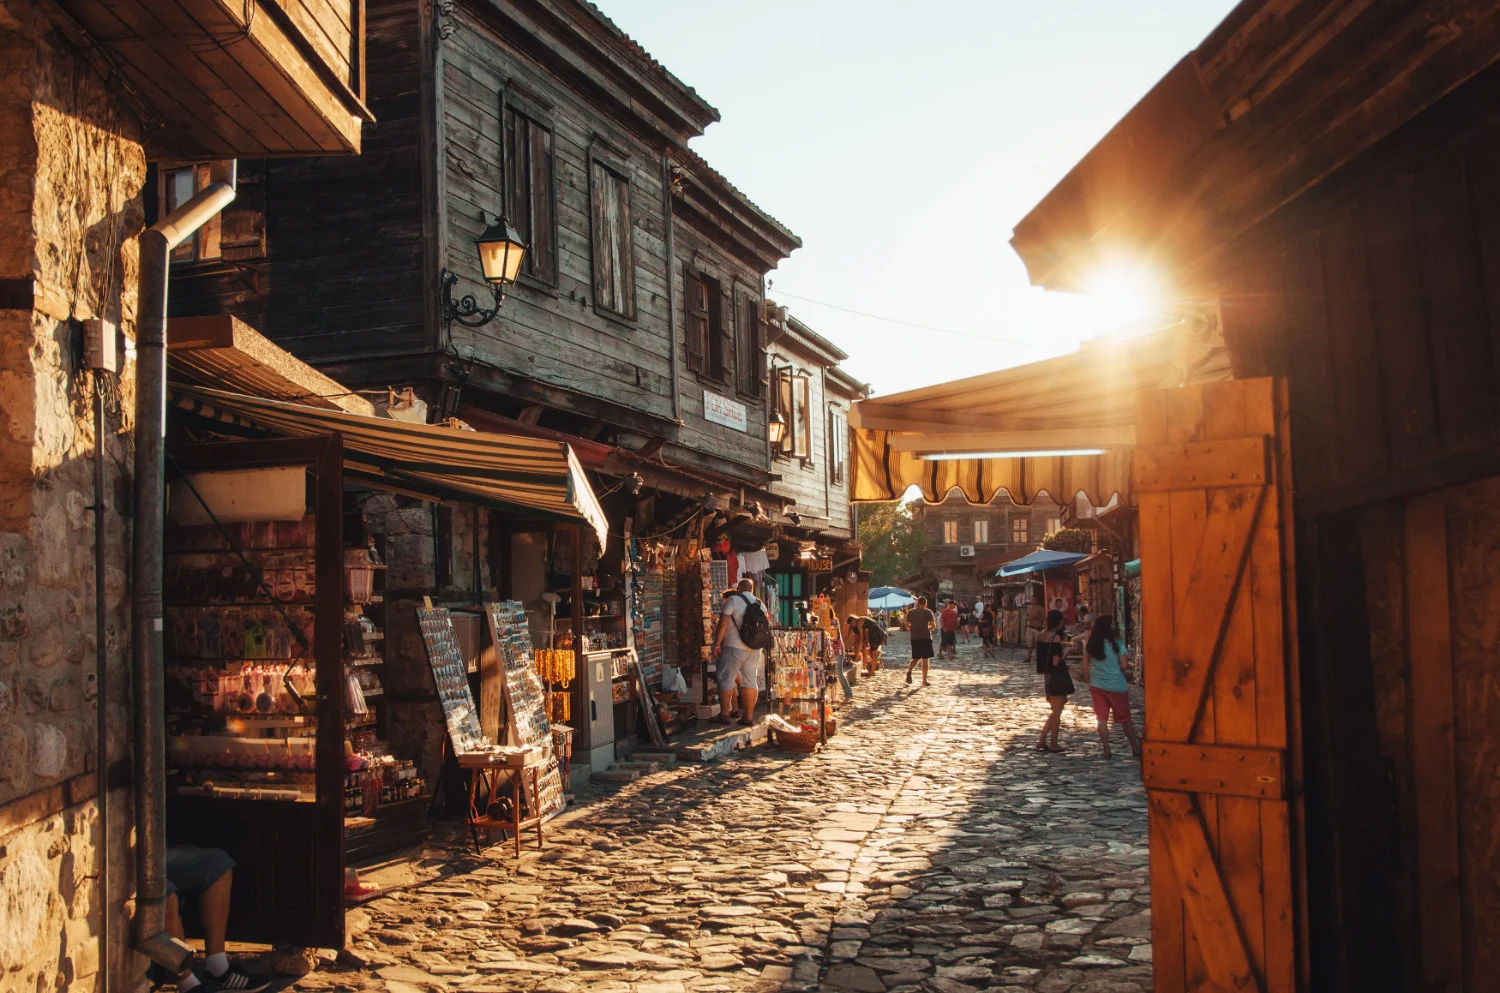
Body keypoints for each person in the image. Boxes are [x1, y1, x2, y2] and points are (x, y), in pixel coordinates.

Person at [164, 845, 270, 992]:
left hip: (151, 850)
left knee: (218, 864)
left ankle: (218, 970)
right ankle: (188, 984)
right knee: (162, 891)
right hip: (126, 863)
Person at [1082, 615, 1141, 759]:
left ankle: (1106, 749)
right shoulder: (1117, 644)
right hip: (1116, 686)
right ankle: (1135, 747)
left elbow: (1084, 667)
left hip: (1097, 685)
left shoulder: (1090, 645)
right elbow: (1125, 666)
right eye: (1112, 624)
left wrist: (1090, 680)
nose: (1114, 626)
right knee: (1125, 719)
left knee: (1101, 719)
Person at [712, 578, 767, 727]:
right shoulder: (760, 603)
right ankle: (747, 717)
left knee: (726, 678)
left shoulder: (733, 600)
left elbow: (723, 624)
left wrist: (717, 644)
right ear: (751, 589)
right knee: (750, 681)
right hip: (754, 648)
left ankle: (724, 715)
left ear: (739, 588)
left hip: (733, 646)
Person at [1035, 609, 1073, 753]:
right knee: (1057, 712)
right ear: (1058, 622)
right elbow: (1056, 661)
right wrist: (1067, 652)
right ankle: (1053, 743)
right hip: (1057, 676)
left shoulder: (1041, 635)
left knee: (1055, 711)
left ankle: (1042, 740)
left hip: (1047, 676)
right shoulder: (1055, 638)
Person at [905, 596, 935, 686]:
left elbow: (907, 626)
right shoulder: (928, 612)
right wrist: (927, 630)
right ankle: (924, 680)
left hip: (915, 638)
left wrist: (914, 629)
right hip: (925, 638)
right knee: (925, 659)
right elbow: (933, 625)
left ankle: (909, 671)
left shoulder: (911, 612)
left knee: (915, 658)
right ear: (925, 604)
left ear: (917, 603)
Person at [1023, 595, 1046, 668]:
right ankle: (1029, 657)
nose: (1033, 601)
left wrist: (1037, 618)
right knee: (1029, 644)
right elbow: (1025, 616)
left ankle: (1039, 657)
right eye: (1032, 599)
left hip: (1036, 628)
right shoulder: (1029, 608)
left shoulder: (1040, 608)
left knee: (1038, 644)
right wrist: (1028, 618)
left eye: (1034, 599)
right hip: (1029, 627)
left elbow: (1044, 617)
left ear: (1037, 600)